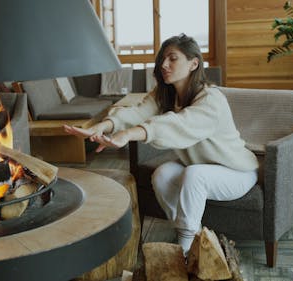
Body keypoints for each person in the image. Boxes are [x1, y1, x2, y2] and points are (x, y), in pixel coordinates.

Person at [64, 34, 258, 254]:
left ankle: (184, 252)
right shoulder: (166, 94)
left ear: (194, 63)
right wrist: (104, 126)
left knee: (195, 175)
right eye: (163, 59)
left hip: (236, 172)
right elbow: (138, 111)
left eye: (173, 58)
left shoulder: (211, 99)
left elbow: (177, 124)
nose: (164, 65)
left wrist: (128, 134)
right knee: (162, 174)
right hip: (199, 166)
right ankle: (193, 235)